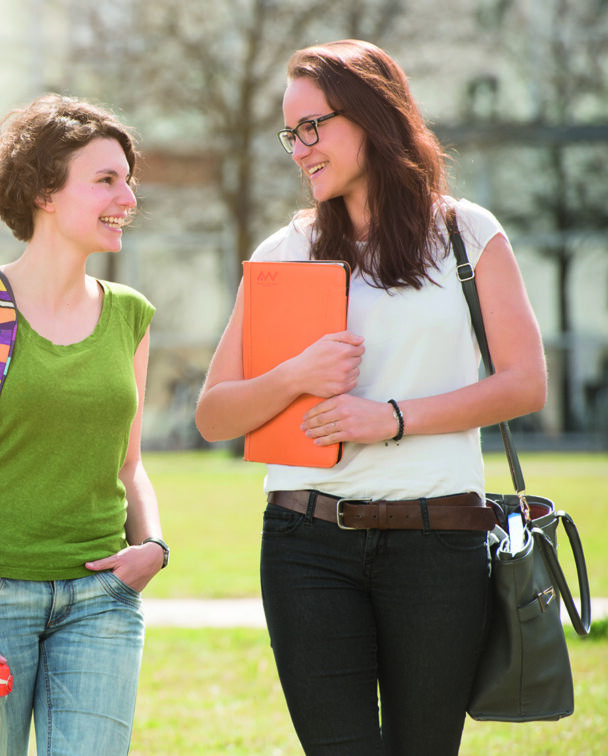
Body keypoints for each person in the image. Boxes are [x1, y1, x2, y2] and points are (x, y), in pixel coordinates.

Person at [194, 40, 546, 755]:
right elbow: (214, 414)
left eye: (312, 127)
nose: (299, 149)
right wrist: (294, 375)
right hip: (305, 545)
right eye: (291, 134)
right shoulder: (281, 252)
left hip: (440, 543)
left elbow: (524, 383)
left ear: (373, 118)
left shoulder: (467, 235)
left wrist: (387, 419)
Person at [0, 94, 166, 755]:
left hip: (102, 604)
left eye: (128, 179)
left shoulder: (131, 316)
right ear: (45, 194)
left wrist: (155, 547)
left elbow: (129, 463)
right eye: (106, 180)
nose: (129, 198)